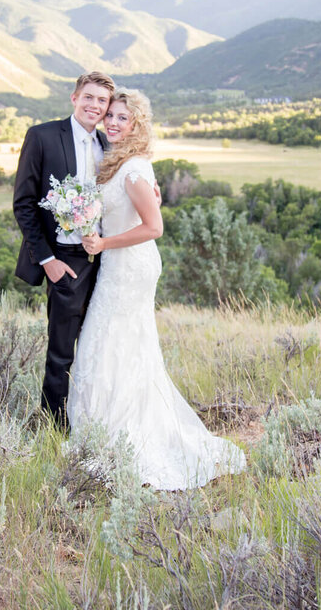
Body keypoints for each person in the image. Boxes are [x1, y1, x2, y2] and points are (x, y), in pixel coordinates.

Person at [69, 88, 246, 490]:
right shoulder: (122, 162)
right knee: (115, 341)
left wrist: (103, 244)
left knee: (117, 341)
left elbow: (154, 228)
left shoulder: (133, 168)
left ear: (136, 126)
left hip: (129, 265)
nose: (112, 122)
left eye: (121, 118)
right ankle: (104, 426)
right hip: (119, 263)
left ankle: (124, 432)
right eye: (110, 115)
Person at [13, 72, 114, 430]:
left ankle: (89, 419)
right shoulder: (42, 137)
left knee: (95, 346)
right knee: (61, 352)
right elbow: (24, 203)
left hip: (105, 262)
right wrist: (47, 260)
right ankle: (55, 429)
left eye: (102, 101)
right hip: (64, 262)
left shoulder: (108, 144)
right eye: (89, 97)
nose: (94, 105)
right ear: (74, 98)